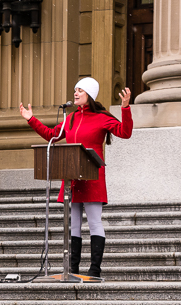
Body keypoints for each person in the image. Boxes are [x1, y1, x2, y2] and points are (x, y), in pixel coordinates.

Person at [20, 78, 133, 278]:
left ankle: (94, 269)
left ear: (89, 94)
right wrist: (31, 119)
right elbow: (51, 135)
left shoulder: (102, 118)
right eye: (75, 90)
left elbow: (125, 132)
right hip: (72, 176)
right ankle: (72, 268)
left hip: (92, 177)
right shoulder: (70, 118)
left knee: (94, 222)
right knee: (73, 225)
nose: (76, 93)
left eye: (80, 90)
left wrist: (125, 109)